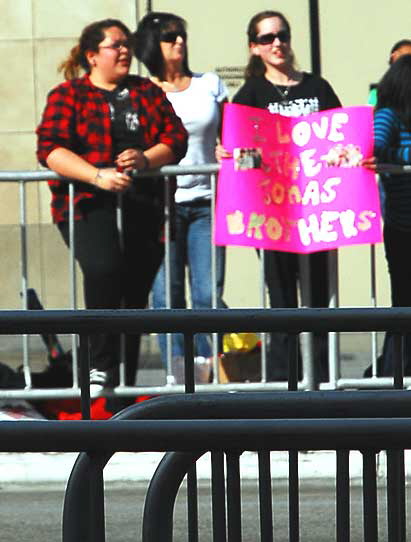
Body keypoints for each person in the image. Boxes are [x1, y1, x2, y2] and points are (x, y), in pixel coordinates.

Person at [36, 18, 187, 396]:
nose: (124, 51)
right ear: (92, 55)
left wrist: (145, 158)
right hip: (88, 203)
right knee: (104, 270)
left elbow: (176, 137)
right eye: (114, 45)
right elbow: (50, 149)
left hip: (143, 205)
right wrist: (96, 175)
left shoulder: (145, 92)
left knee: (135, 291)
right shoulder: (69, 95)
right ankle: (99, 366)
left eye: (126, 45)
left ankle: (125, 379)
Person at [217, 10, 341, 384]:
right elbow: (239, 145)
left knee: (319, 298)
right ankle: (289, 384)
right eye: (267, 38)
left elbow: (339, 136)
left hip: (316, 210)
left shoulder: (317, 87)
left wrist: (343, 153)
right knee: (283, 297)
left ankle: (322, 380)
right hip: (274, 213)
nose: (277, 43)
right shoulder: (251, 94)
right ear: (254, 48)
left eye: (282, 35)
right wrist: (230, 153)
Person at [134, 12, 228, 383]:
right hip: (162, 205)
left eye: (181, 36)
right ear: (152, 46)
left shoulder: (210, 84)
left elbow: (229, 134)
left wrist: (227, 150)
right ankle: (177, 374)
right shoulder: (142, 91)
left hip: (206, 201)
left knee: (207, 294)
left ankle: (208, 372)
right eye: (169, 37)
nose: (179, 43)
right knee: (166, 298)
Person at [372, 54, 411, 377]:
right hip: (403, 227)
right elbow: (376, 147)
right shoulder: (389, 116)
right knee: (403, 302)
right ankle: (395, 370)